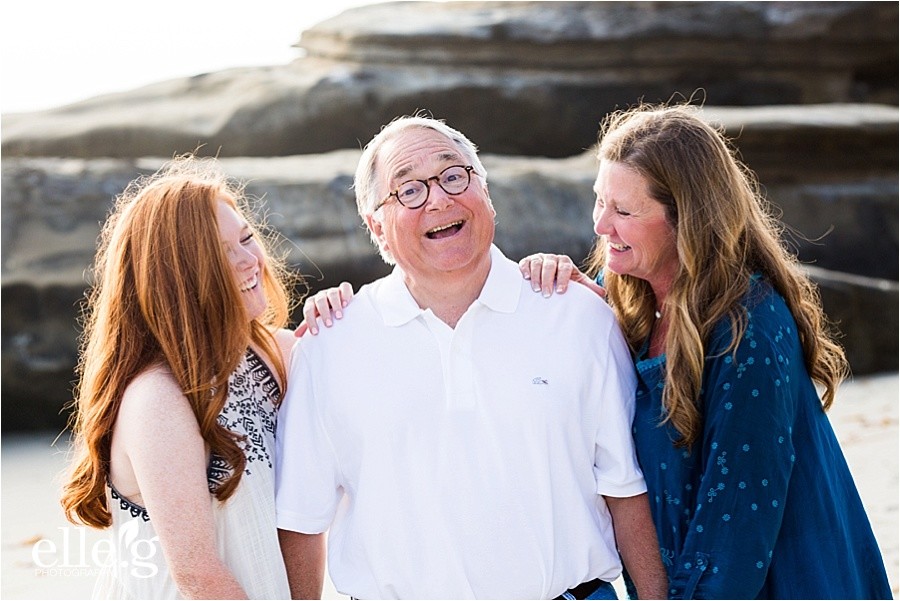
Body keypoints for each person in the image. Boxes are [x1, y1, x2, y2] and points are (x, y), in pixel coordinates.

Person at [275, 115, 668, 600]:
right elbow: (300, 520)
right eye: (409, 190)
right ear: (376, 224)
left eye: (453, 175)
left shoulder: (578, 315)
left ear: (485, 191)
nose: (439, 198)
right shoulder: (328, 346)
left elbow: (626, 489)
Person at [518, 103, 893, 599]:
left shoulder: (748, 330)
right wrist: (549, 291)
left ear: (687, 222)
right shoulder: (623, 293)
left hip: (784, 581)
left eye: (624, 211)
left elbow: (737, 527)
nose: (601, 226)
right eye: (599, 200)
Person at [59, 155, 310, 599]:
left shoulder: (275, 356)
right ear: (181, 278)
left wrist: (340, 315)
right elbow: (198, 576)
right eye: (222, 253)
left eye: (247, 238)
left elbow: (304, 517)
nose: (249, 260)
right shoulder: (157, 398)